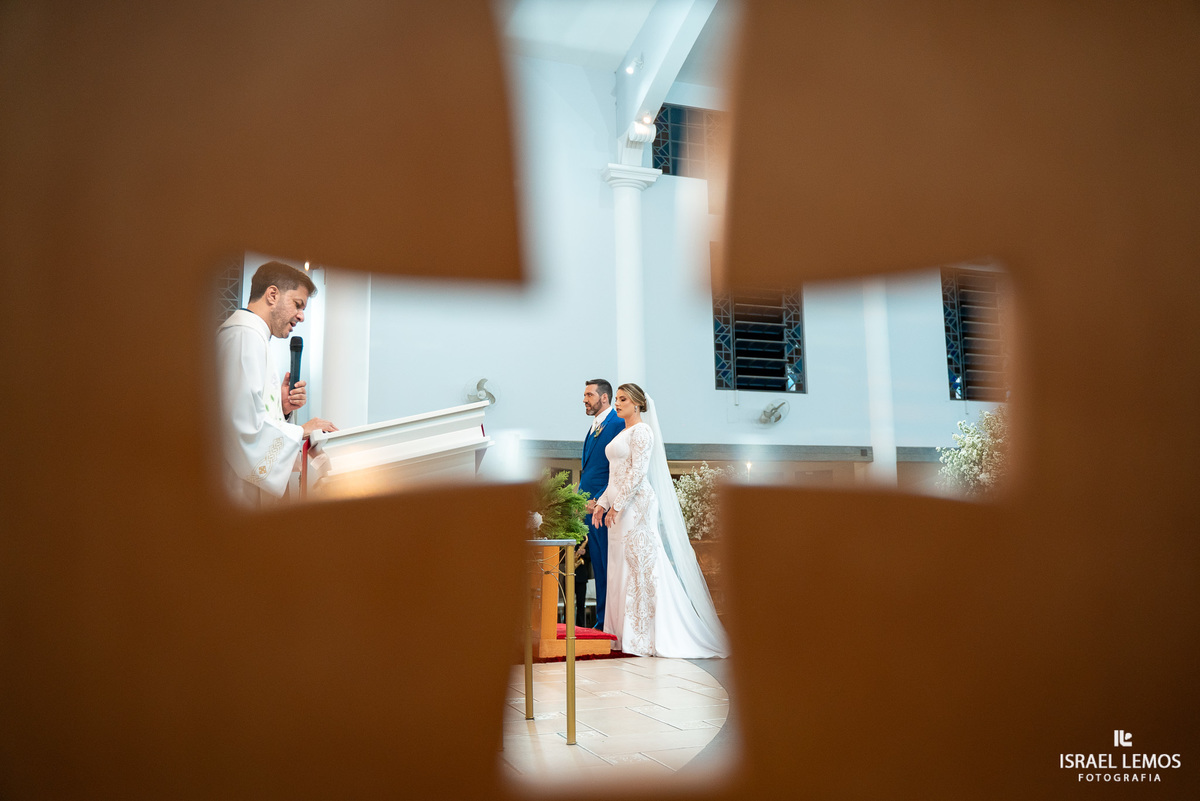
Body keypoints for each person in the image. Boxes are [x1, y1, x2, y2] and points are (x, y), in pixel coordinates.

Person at [592, 383, 728, 658]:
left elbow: (638, 473)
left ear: (637, 403)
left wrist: (617, 506)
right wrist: (601, 504)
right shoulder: (623, 432)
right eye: (617, 399)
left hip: (636, 506)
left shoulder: (642, 431)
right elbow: (616, 475)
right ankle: (621, 635)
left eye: (623, 399)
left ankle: (642, 636)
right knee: (619, 565)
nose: (617, 404)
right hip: (620, 506)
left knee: (638, 565)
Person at [216, 261, 337, 507]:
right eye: (298, 304)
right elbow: (239, 426)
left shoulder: (254, 336)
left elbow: (245, 410)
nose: (301, 316)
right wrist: (301, 430)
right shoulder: (244, 336)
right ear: (272, 295)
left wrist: (281, 408)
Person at [578, 379, 625, 629]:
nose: (584, 399)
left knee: (609, 565)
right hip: (589, 508)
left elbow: (615, 468)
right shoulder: (594, 426)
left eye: (589, 395)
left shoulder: (617, 423)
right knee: (598, 565)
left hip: (603, 507)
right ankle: (602, 620)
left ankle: (611, 621)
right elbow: (590, 469)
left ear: (604, 397)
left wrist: (599, 498)